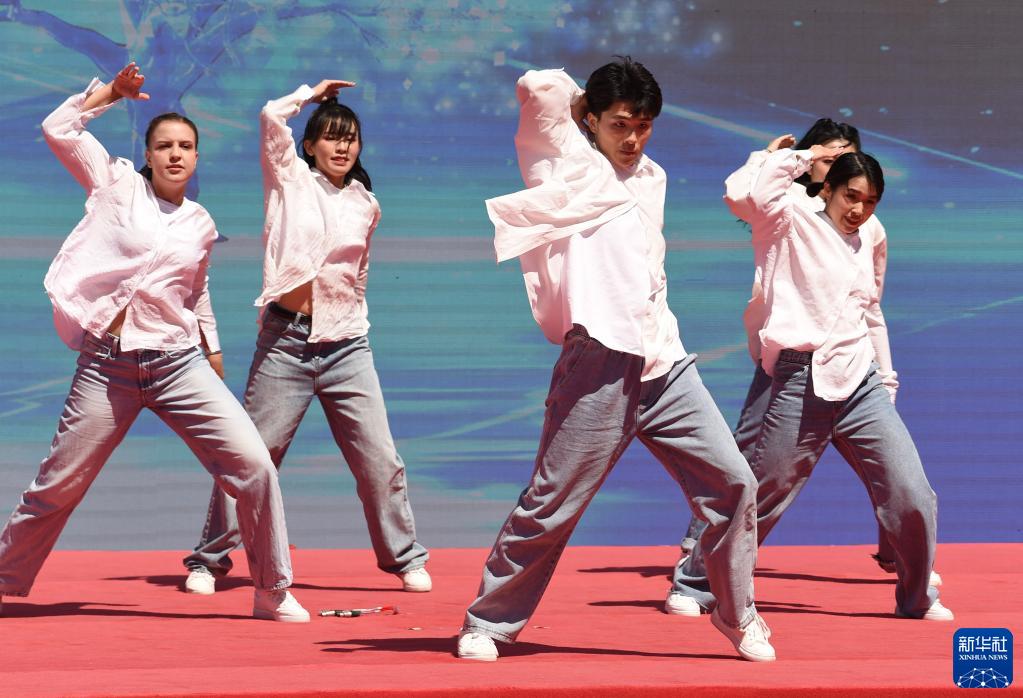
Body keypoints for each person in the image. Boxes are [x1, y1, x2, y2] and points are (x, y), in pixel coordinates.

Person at [456, 57, 775, 663]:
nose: (632, 138)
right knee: (552, 502)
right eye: (620, 124)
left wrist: (609, 112)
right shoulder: (563, 161)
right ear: (592, 119)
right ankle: (488, 622)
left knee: (735, 484)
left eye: (643, 125)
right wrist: (585, 104)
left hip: (665, 361)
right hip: (598, 364)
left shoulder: (653, 177)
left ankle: (737, 614)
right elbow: (538, 86)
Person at [0, 63, 308, 622]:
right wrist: (112, 93)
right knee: (58, 485)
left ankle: (272, 588)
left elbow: (197, 289)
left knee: (254, 465)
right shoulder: (116, 184)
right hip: (107, 367)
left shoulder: (201, 223)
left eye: (185, 147)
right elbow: (58, 128)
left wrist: (213, 350)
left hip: (177, 364)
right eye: (164, 145)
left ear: (196, 157)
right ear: (147, 153)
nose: (174, 154)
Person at [668, 120, 940, 616]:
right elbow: (744, 194)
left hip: (860, 381)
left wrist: (887, 377)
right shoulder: (789, 215)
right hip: (799, 377)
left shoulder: (871, 233)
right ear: (827, 188)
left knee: (911, 490)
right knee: (764, 490)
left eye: (870, 201)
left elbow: (871, 311)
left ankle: (916, 596)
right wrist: (793, 157)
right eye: (851, 196)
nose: (859, 209)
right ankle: (695, 582)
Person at [181, 79, 430, 596]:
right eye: (332, 137)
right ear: (310, 145)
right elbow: (271, 117)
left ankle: (405, 558)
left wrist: (351, 321)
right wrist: (311, 95)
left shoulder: (366, 204)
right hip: (285, 344)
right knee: (251, 457)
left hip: (347, 346)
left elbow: (359, 274)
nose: (343, 147)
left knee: (380, 460)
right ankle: (209, 560)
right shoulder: (289, 178)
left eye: (351, 139)